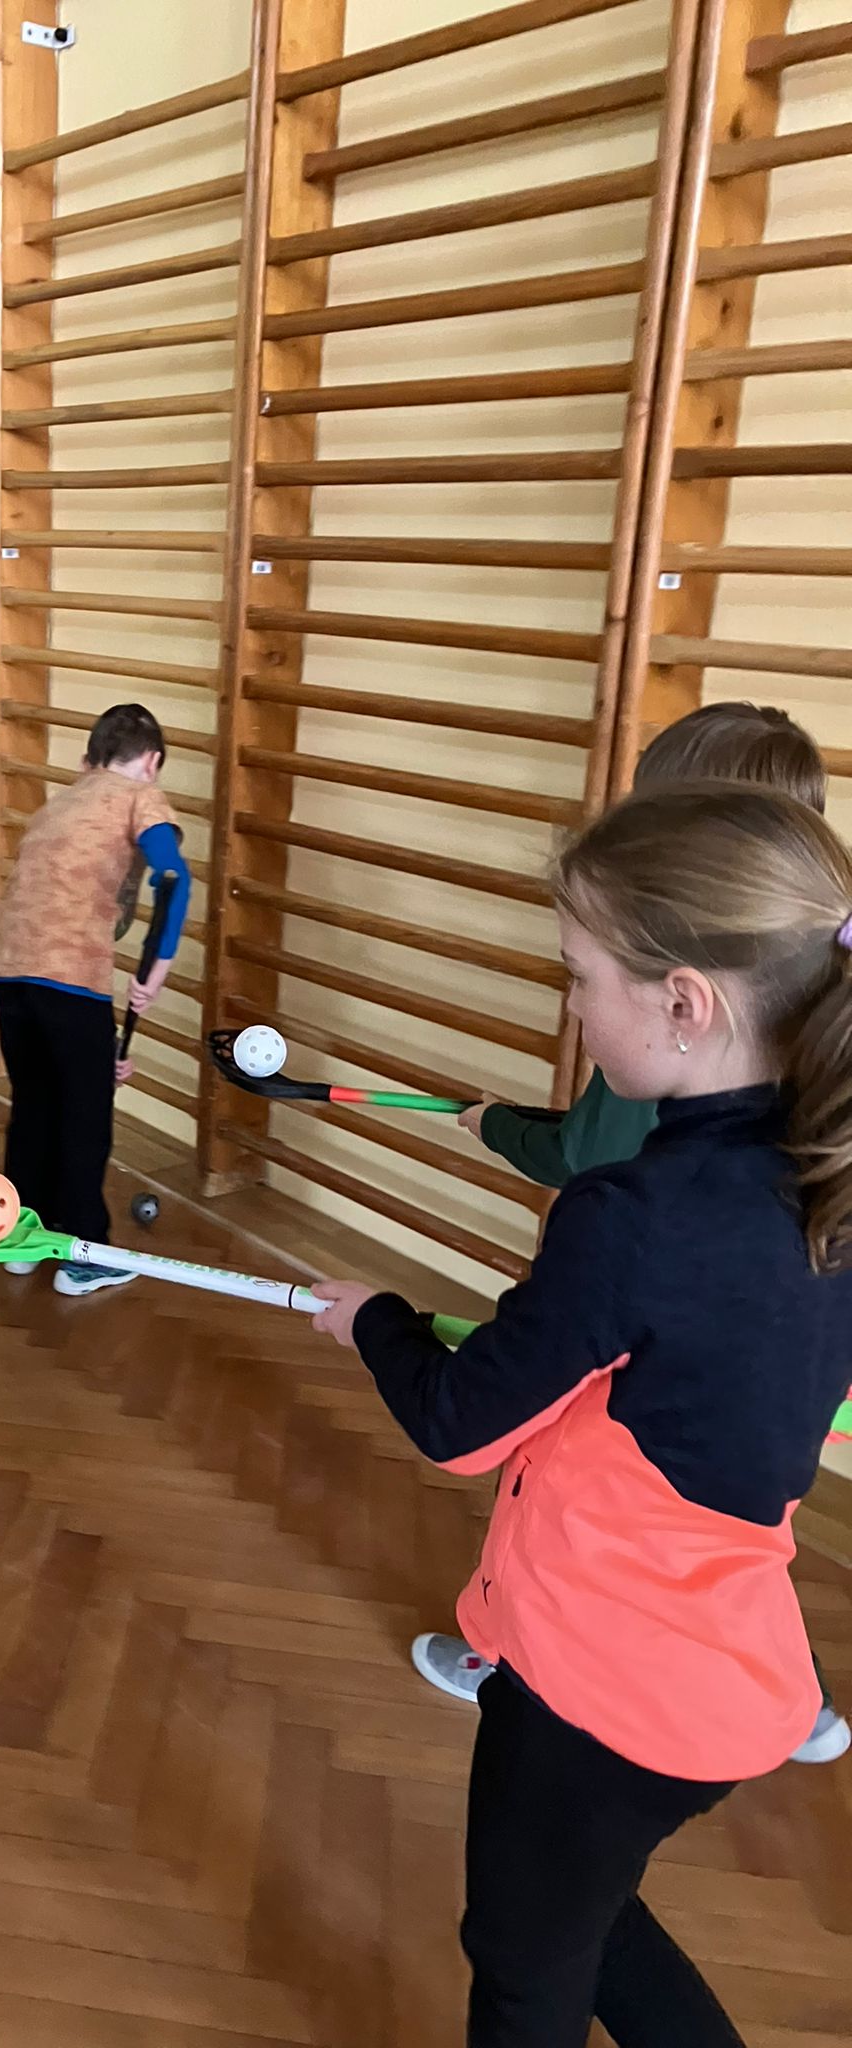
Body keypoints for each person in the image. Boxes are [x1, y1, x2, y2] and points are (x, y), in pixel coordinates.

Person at [311, 785, 852, 2047]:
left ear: (684, 1002)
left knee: (522, 1965)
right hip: (731, 1670)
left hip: (600, 1685)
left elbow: (458, 1423)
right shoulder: (825, 1168)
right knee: (580, 1920)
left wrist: (378, 1319)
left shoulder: (633, 1216)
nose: (572, 1005)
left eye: (581, 974)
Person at [424, 700, 849, 1766]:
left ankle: (500, 1645)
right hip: (749, 1401)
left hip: (604, 1655)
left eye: (580, 974)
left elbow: (583, 1159)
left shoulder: (644, 1170)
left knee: (582, 1483)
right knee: (734, 1509)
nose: (578, 999)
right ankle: (789, 1692)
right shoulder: (816, 1027)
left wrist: (500, 1130)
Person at [0, 702, 189, 1296]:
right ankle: (86, 1256)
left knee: (35, 1106)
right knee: (84, 1119)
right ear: (151, 761)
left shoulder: (61, 802)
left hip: (11, 974)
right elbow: (173, 877)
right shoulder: (140, 797)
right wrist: (158, 970)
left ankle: (23, 1239)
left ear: (90, 759)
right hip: (71, 978)